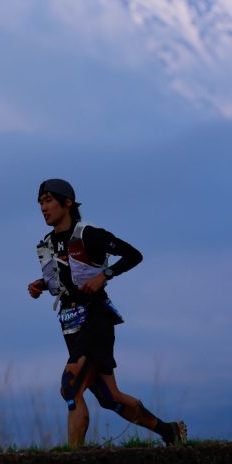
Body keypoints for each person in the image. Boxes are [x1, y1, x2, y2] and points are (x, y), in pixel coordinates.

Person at [27, 178, 187, 449]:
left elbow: (133, 255)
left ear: (67, 203)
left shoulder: (89, 234)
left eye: (49, 201)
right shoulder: (47, 244)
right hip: (69, 323)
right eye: (40, 203)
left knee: (70, 387)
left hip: (95, 317)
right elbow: (64, 279)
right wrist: (41, 284)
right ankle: (170, 431)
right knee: (109, 397)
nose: (43, 208)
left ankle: (72, 457)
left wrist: (106, 274)